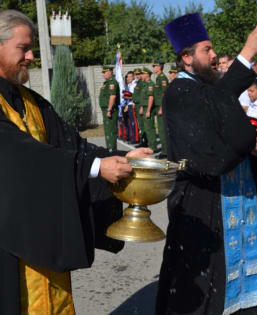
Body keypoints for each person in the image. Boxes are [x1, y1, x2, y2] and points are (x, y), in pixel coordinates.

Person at [0, 9, 152, 314]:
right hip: (8, 239)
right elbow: (20, 154)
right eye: (23, 48)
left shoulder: (32, 101)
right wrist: (96, 169)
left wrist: (120, 158)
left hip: (43, 233)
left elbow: (73, 145)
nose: (31, 56)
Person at [157, 13, 257, 315]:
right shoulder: (180, 90)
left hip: (222, 193)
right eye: (207, 50)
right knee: (198, 283)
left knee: (223, 278)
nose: (214, 56)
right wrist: (247, 53)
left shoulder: (203, 88)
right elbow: (211, 133)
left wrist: (252, 142)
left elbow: (220, 103)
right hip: (199, 201)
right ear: (186, 57)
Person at [99, 65, 119, 151]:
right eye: (103, 73)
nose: (103, 74)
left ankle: (112, 149)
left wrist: (109, 109)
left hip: (110, 110)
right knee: (107, 129)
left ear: (110, 72)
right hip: (106, 110)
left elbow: (113, 96)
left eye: (105, 72)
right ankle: (109, 148)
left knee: (111, 130)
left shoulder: (112, 83)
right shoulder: (106, 83)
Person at [153, 62, 169, 159]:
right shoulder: (158, 78)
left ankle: (165, 151)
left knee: (162, 130)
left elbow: (164, 93)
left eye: (155, 66)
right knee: (160, 129)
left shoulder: (162, 78)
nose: (153, 68)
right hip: (158, 106)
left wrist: (162, 108)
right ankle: (164, 150)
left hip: (161, 107)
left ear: (160, 67)